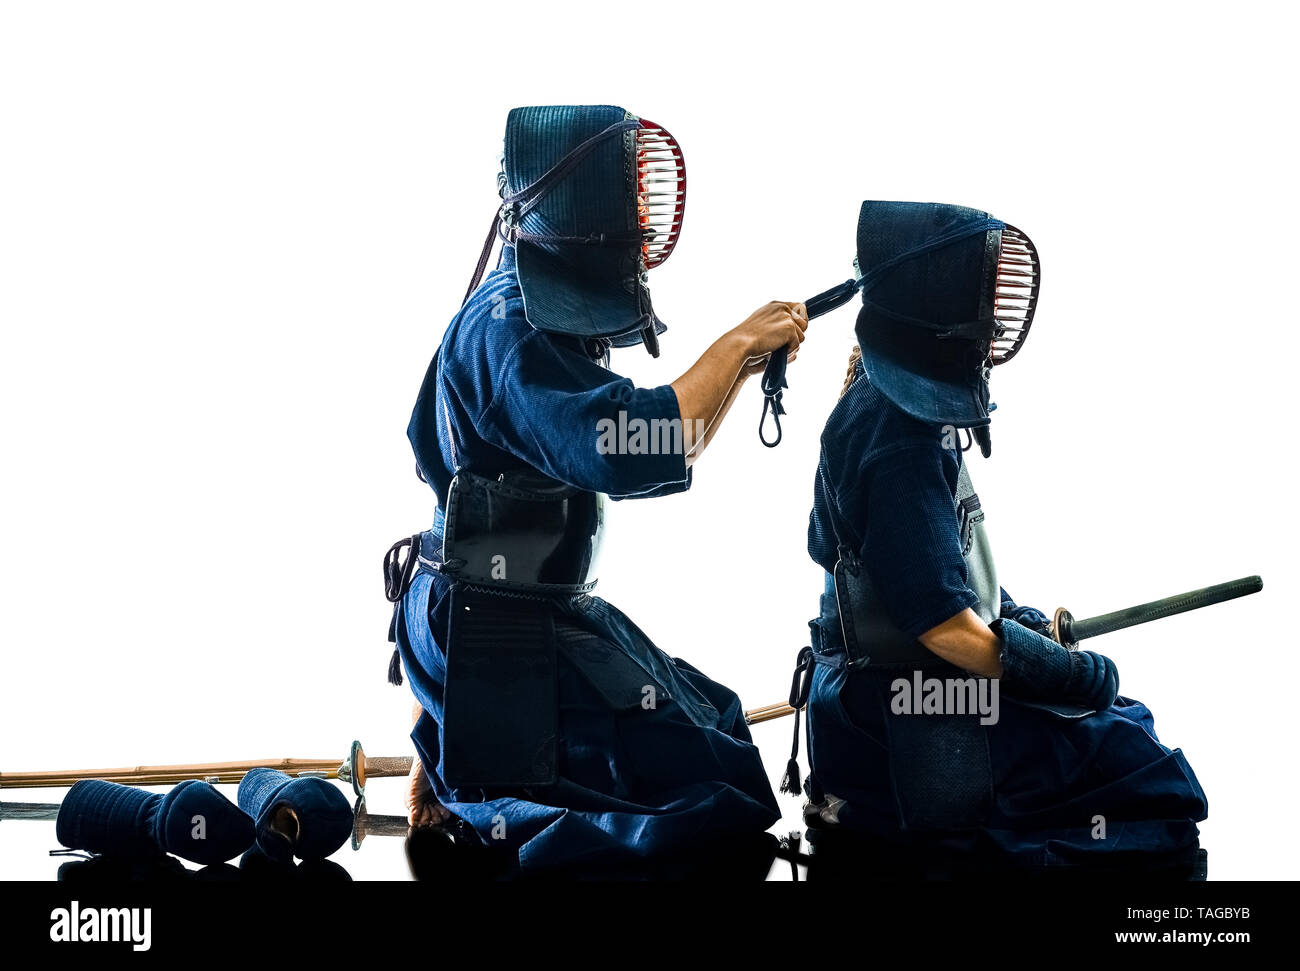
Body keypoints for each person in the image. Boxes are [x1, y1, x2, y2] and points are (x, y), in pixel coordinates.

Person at [385, 105, 803, 872]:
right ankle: (472, 784)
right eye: (631, 200)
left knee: (717, 720)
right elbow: (636, 442)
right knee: (700, 792)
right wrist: (742, 343)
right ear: (585, 211)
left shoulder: (539, 315)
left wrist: (745, 363)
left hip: (523, 606)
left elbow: (654, 435)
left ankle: (459, 763)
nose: (644, 220)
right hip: (488, 626)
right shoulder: (506, 330)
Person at [791, 201, 1208, 873]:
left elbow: (932, 575)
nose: (993, 322)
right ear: (935, 309)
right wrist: (1061, 671)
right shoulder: (898, 439)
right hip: (903, 703)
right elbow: (942, 627)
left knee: (1123, 727)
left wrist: (1017, 621)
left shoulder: (883, 404)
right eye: (979, 301)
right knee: (1143, 773)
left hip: (892, 683)